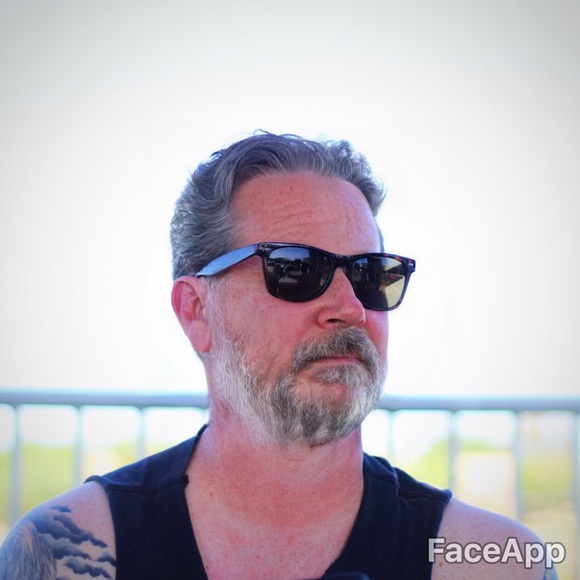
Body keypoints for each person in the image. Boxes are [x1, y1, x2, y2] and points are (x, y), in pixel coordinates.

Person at [0, 132, 556, 579]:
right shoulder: (70, 553)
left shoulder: (493, 563)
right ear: (196, 311)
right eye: (297, 269)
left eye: (371, 275)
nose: (350, 308)